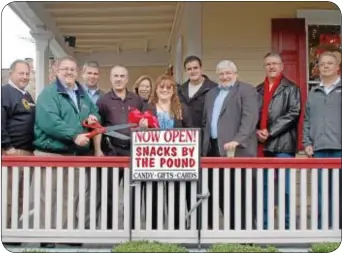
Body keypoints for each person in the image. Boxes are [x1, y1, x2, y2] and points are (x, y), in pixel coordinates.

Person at [33, 55, 102, 248]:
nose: (69, 72)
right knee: (49, 195)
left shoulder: (81, 93)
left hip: (74, 154)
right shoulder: (49, 93)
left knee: (70, 196)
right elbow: (50, 121)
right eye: (65, 69)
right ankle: (47, 235)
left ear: (77, 71)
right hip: (51, 153)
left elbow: (94, 110)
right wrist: (74, 135)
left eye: (72, 69)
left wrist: (92, 116)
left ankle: (64, 233)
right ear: (56, 70)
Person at [202, 60, 259, 229]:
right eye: (221, 73)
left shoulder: (247, 90)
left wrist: (237, 140)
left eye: (228, 73)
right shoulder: (211, 93)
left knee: (241, 194)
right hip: (213, 149)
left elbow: (249, 119)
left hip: (238, 150)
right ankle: (231, 229)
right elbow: (206, 121)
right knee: (220, 192)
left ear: (235, 74)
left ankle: (246, 235)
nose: (225, 76)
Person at [140, 74, 193, 229]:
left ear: (173, 90)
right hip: (154, 158)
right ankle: (154, 228)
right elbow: (141, 135)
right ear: (156, 89)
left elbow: (191, 132)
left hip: (176, 159)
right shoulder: (148, 108)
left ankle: (176, 227)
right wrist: (142, 128)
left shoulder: (182, 109)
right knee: (154, 193)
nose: (165, 90)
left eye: (169, 87)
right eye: (161, 87)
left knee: (176, 193)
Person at [256, 52, 301, 230]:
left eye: (275, 64)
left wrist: (270, 131)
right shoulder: (258, 89)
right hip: (263, 146)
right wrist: (256, 131)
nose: (271, 67)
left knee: (286, 189)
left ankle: (289, 226)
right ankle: (265, 226)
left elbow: (293, 113)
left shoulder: (291, 88)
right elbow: (252, 115)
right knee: (265, 189)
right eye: (268, 64)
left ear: (282, 66)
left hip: (283, 144)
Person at [97, 65, 144, 230]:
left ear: (127, 78)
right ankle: (110, 228)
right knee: (109, 192)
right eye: (115, 76)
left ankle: (131, 227)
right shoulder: (103, 100)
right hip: (112, 151)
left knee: (133, 191)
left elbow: (144, 122)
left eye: (122, 76)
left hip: (133, 151)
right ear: (111, 78)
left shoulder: (136, 99)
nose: (118, 79)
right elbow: (98, 127)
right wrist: (99, 150)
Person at [303, 51, 341, 229]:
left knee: (339, 192)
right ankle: (321, 230)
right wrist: (307, 143)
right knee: (320, 192)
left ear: (337, 67)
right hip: (318, 149)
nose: (325, 66)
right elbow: (307, 120)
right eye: (322, 64)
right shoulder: (314, 92)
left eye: (329, 63)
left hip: (339, 148)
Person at [1, 59, 35, 247]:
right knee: (9, 194)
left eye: (27, 73)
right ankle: (5, 233)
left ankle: (15, 230)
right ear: (11, 73)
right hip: (13, 152)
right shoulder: (4, 92)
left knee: (22, 196)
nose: (25, 77)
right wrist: (8, 147)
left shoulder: (27, 95)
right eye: (21, 73)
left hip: (27, 153)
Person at [81, 60, 105, 230]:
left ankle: (90, 224)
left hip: (96, 148)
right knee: (78, 189)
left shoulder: (103, 97)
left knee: (94, 189)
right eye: (89, 73)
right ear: (83, 74)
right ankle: (77, 224)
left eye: (95, 73)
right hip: (78, 146)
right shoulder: (76, 93)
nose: (92, 76)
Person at [178, 55, 217, 129]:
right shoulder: (180, 90)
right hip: (186, 135)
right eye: (189, 69)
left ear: (201, 68)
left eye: (195, 68)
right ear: (185, 71)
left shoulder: (214, 88)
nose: (193, 71)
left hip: (206, 135)